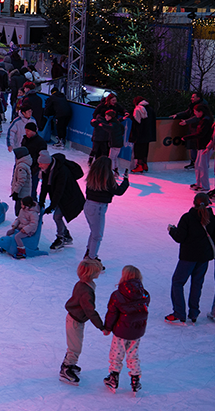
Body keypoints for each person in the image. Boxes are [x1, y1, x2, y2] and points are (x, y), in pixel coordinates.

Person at [166, 192, 215, 324]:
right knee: (197, 284)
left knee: (177, 282)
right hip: (204, 258)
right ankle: (193, 313)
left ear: (194, 203)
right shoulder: (212, 218)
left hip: (188, 257)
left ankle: (179, 313)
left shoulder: (188, 218)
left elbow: (179, 237)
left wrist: (172, 230)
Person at [103, 265, 149, 394]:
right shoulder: (144, 294)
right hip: (137, 331)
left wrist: (107, 328)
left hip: (121, 331)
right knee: (133, 355)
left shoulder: (117, 295)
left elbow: (112, 313)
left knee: (116, 354)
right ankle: (135, 380)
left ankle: (113, 377)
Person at [61, 259, 106, 384]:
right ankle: (66, 368)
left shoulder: (82, 284)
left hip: (76, 318)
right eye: (98, 271)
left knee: (75, 345)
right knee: (75, 347)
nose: (100, 272)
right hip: (75, 321)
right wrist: (101, 327)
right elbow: (90, 311)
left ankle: (70, 364)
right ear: (91, 274)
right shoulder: (86, 290)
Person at [82, 157, 129, 265]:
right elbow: (119, 191)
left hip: (88, 205)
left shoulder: (92, 176)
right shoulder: (107, 179)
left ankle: (89, 254)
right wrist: (125, 181)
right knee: (97, 235)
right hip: (98, 208)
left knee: (94, 232)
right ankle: (91, 259)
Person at [127, 97, 155, 172]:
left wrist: (130, 116)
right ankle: (144, 164)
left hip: (140, 134)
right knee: (145, 149)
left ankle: (139, 165)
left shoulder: (138, 109)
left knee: (138, 150)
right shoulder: (150, 109)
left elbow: (137, 121)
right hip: (148, 133)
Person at [10, 147, 33, 215]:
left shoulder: (21, 166)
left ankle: (21, 224)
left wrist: (16, 192)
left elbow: (21, 180)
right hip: (24, 193)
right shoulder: (25, 164)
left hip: (21, 194)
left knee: (19, 212)